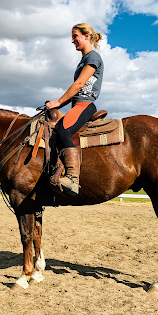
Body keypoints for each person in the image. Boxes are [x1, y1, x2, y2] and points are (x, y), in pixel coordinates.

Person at [46, 23, 104, 196]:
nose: (72, 40)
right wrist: (58, 104)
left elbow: (79, 85)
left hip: (85, 105)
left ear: (86, 36)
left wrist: (58, 102)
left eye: (75, 36)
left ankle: (72, 178)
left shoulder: (92, 57)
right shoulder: (83, 60)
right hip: (77, 104)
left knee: (63, 132)